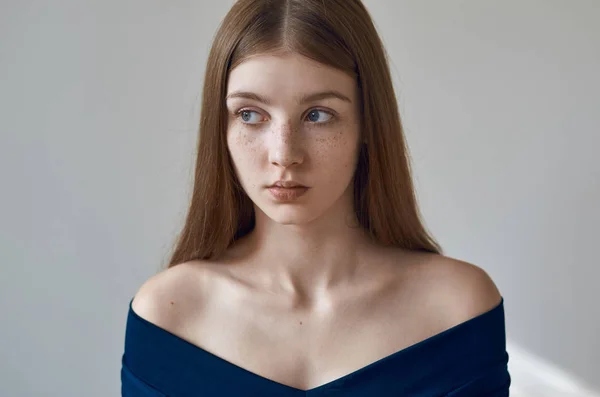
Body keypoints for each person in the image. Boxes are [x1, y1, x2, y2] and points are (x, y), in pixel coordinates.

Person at [120, 0, 511, 395]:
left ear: (368, 123)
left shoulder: (456, 311)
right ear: (220, 127)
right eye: (250, 115)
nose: (284, 153)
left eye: (318, 115)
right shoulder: (168, 317)